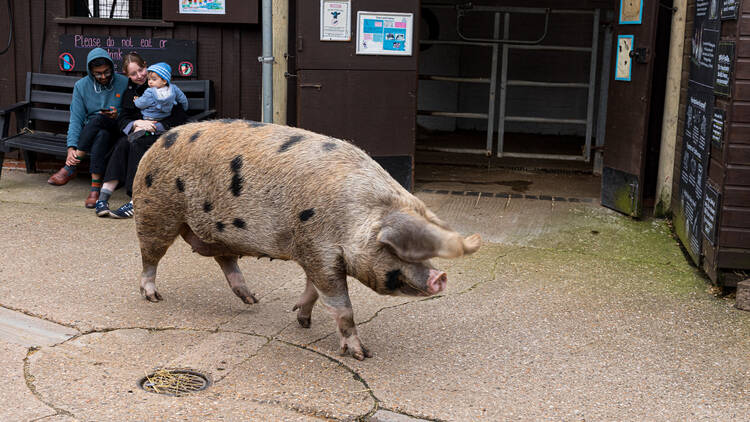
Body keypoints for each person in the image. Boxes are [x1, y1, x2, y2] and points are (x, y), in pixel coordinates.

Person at [95, 53, 188, 218]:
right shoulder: (131, 93)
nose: (139, 76)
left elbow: (180, 115)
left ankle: (135, 201)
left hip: (164, 133)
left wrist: (156, 126)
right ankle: (104, 196)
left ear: (146, 66)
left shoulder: (164, 87)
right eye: (133, 74)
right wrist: (136, 123)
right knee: (123, 143)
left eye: (141, 70)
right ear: (127, 75)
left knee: (137, 144)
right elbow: (123, 117)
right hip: (139, 131)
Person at [48, 48, 129, 209]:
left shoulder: (124, 82)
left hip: (118, 129)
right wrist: (71, 146)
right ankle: (95, 189)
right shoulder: (81, 86)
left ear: (112, 68)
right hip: (93, 133)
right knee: (101, 133)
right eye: (98, 74)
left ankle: (70, 167)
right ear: (90, 72)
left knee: (101, 119)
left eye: (106, 72)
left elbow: (131, 111)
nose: (103, 76)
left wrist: (117, 113)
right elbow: (76, 119)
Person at [128, 62, 188, 142]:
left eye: (154, 79)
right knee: (158, 127)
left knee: (143, 127)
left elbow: (141, 104)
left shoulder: (150, 92)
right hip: (164, 116)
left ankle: (141, 131)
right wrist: (185, 107)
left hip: (150, 118)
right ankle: (152, 131)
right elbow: (182, 99)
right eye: (149, 79)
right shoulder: (173, 89)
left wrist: (136, 101)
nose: (150, 82)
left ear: (164, 80)